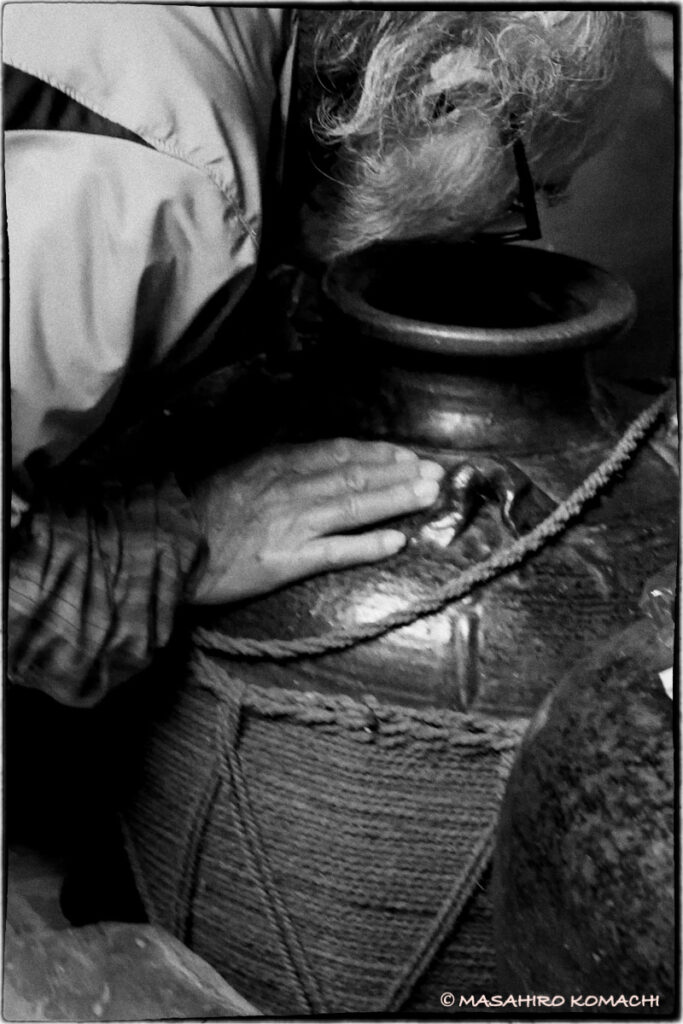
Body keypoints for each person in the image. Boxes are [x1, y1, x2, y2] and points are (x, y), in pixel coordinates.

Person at [7, 6, 646, 712]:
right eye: (526, 190)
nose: (500, 229)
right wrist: (174, 545)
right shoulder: (172, 196)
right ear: (445, 95)